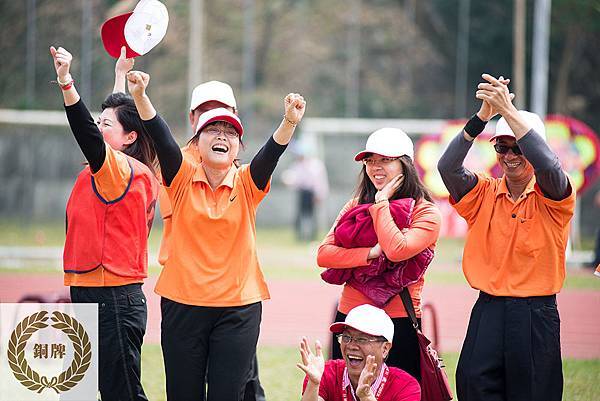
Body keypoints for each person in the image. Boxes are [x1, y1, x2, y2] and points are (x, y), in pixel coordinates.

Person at [126, 69, 306, 401]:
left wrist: (289, 122)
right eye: (212, 129)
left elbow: (271, 154)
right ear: (196, 140)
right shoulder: (180, 177)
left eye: (229, 132)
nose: (221, 135)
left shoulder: (247, 183)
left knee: (228, 395)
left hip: (238, 309)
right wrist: (140, 96)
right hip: (183, 304)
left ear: (238, 145)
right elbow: (161, 137)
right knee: (183, 394)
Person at [437, 73, 576, 401]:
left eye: (518, 148)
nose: (510, 156)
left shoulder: (554, 195)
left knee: (532, 392)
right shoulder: (483, 193)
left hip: (535, 313)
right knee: (472, 383)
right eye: (502, 147)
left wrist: (508, 111)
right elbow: (447, 167)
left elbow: (550, 168)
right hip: (489, 308)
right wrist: (483, 117)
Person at [50, 46, 158, 401]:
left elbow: (90, 133)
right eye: (100, 121)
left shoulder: (118, 170)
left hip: (111, 293)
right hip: (94, 288)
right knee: (93, 390)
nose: (98, 126)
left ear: (129, 139)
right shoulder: (116, 167)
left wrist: (66, 82)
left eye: (106, 124)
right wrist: (120, 76)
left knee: (121, 393)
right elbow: (111, 127)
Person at [317, 128, 441, 381]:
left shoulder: (425, 212)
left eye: (385, 160)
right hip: (351, 316)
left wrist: (381, 202)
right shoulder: (354, 206)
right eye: (370, 161)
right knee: (345, 393)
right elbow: (324, 255)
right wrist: (370, 252)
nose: (376, 167)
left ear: (405, 164)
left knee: (398, 392)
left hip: (398, 321)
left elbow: (397, 250)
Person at [298, 304, 421, 401]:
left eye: (362, 339)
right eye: (346, 337)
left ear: (385, 349)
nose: (351, 346)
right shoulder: (325, 373)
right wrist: (313, 384)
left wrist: (366, 396)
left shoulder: (406, 386)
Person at [281, 140, 329, 241]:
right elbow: (294, 179)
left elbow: (320, 181)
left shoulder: (316, 165)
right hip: (302, 192)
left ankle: (312, 236)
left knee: (312, 215)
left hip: (312, 193)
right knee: (300, 214)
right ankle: (300, 236)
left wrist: (319, 194)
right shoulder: (297, 165)